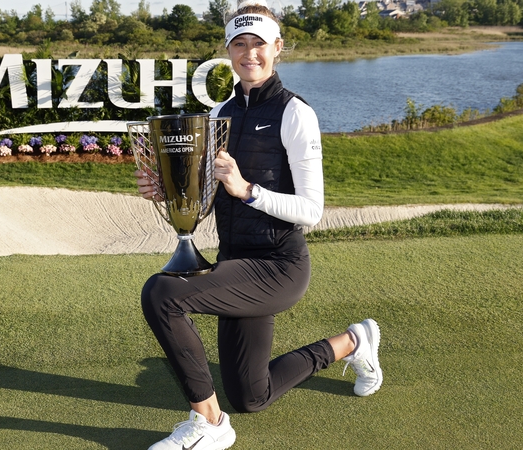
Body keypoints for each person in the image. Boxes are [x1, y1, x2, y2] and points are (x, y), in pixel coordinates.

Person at [134, 1, 383, 449]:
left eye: (259, 45)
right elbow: (206, 202)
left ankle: (209, 424)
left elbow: (312, 210)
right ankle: (353, 341)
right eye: (240, 44)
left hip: (278, 267)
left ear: (278, 48)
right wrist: (169, 191)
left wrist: (248, 190)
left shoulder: (295, 113)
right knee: (252, 396)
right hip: (235, 261)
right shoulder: (219, 115)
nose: (250, 54)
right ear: (228, 50)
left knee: (161, 293)